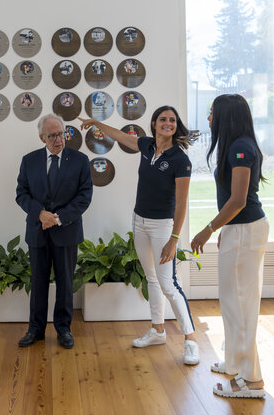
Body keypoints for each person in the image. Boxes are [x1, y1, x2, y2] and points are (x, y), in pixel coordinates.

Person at [80, 106, 200, 365]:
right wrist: (97, 123)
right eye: (163, 120)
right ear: (154, 123)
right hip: (140, 221)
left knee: (169, 284)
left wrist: (175, 238)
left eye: (172, 120)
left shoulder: (181, 160)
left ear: (176, 126)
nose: (168, 123)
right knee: (151, 278)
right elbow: (122, 137)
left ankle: (190, 340)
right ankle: (158, 331)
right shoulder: (146, 146)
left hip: (163, 227)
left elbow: (181, 204)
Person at [190, 93, 269, 399]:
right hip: (241, 230)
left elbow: (238, 200)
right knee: (233, 301)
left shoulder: (240, 148)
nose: (209, 118)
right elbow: (235, 202)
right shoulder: (238, 146)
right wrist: (227, 228)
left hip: (246, 230)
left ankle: (251, 380)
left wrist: (209, 229)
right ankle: (236, 362)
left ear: (226, 117)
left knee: (240, 305)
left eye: (212, 114)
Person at [16, 113, 93, 349]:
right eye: (52, 135)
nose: (58, 139)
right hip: (37, 232)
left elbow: (84, 196)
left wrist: (57, 219)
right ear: (42, 137)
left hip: (66, 231)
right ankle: (36, 329)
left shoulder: (80, 160)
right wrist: (40, 213)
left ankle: (63, 329)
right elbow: (22, 194)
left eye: (61, 133)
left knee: (65, 283)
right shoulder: (29, 160)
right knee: (38, 283)